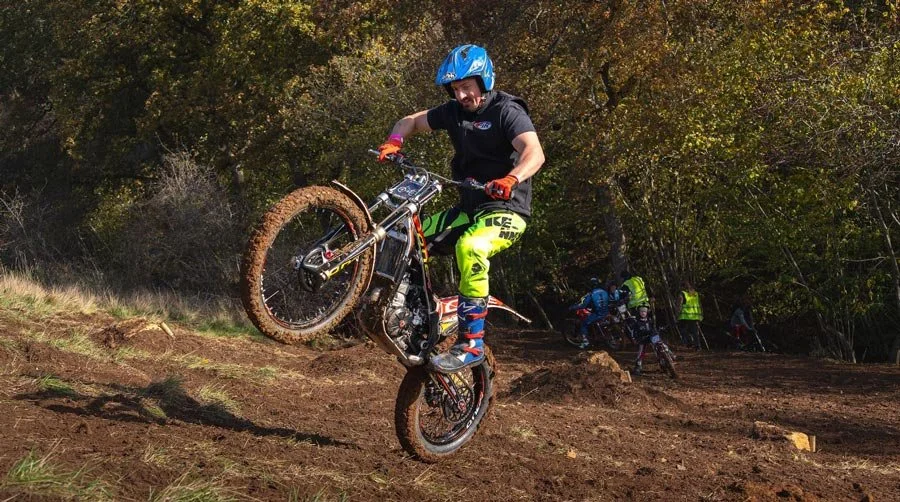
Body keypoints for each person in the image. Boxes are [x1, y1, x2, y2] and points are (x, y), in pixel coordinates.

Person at [377, 44, 545, 373]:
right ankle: (409, 310)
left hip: (505, 210)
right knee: (408, 234)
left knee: (470, 247)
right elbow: (410, 121)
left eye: (467, 86)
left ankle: (471, 343)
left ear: (484, 81)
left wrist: (512, 178)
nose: (462, 95)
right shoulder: (453, 111)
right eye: (455, 89)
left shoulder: (507, 111)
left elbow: (534, 152)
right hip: (468, 208)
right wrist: (394, 140)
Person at [568, 277, 612, 349]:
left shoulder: (590, 294)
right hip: (606, 312)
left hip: (597, 314)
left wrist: (572, 307)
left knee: (584, 324)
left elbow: (583, 305)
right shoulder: (604, 291)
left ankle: (586, 342)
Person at [618, 270, 651, 341]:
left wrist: (622, 302)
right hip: (646, 304)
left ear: (624, 278)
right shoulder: (638, 278)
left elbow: (623, 296)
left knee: (637, 323)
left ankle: (641, 340)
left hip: (636, 306)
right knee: (646, 322)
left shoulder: (626, 284)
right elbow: (646, 287)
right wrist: (652, 295)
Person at [676, 280, 703, 349]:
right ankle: (697, 346)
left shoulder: (682, 294)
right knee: (695, 332)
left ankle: (689, 343)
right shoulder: (695, 294)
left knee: (684, 331)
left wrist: (677, 314)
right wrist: (701, 315)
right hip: (695, 316)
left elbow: (679, 305)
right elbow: (699, 305)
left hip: (685, 316)